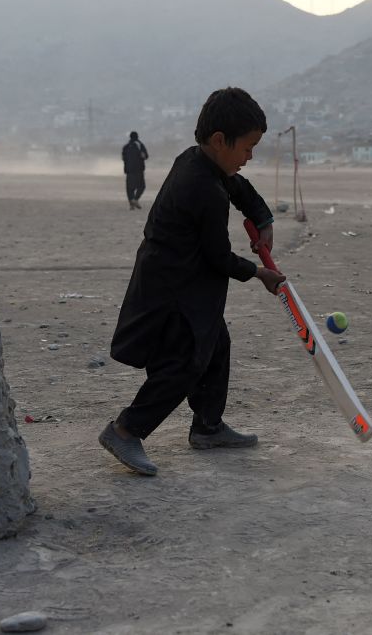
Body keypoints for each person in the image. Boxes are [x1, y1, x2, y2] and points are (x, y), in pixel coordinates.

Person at [99, 88, 286, 476]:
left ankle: (208, 427)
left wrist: (263, 220)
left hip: (191, 285)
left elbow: (239, 187)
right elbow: (218, 257)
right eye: (247, 147)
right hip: (171, 289)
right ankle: (125, 429)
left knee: (217, 345)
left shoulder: (202, 161)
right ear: (220, 141)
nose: (250, 156)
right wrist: (260, 273)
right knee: (183, 364)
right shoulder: (201, 188)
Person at [121, 131, 149, 209]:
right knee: (142, 186)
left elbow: (123, 158)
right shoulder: (140, 145)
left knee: (130, 188)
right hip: (139, 170)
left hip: (129, 170)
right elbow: (146, 156)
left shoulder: (126, 147)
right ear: (137, 136)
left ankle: (131, 202)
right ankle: (135, 200)